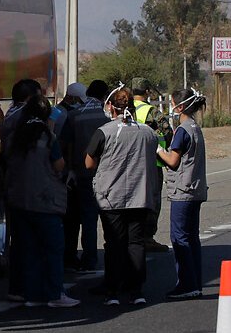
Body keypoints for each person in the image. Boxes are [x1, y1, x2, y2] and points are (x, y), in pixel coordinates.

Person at [85, 86, 160, 306]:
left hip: (111, 198)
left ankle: (112, 290)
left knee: (114, 243)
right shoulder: (147, 132)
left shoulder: (104, 131)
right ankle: (136, 290)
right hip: (140, 195)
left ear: (110, 106)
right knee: (136, 243)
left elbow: (89, 162)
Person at [4, 94, 79, 308]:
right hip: (45, 200)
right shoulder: (47, 137)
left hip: (19, 199)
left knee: (29, 250)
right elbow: (58, 165)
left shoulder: (14, 137)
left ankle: (32, 295)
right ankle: (55, 293)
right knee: (53, 249)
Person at [157, 89, 208, 300]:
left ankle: (186, 284)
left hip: (183, 191)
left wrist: (158, 149)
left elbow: (173, 161)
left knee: (179, 238)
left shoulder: (182, 130)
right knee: (192, 237)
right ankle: (195, 282)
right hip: (195, 190)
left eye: (172, 104)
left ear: (179, 107)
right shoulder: (196, 128)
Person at [0, 78, 42, 302]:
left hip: (14, 183)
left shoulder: (10, 115)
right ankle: (30, 286)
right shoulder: (25, 118)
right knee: (31, 238)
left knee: (19, 238)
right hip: (27, 183)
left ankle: (19, 287)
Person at [60, 79, 110, 272]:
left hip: (81, 173)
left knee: (84, 218)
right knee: (108, 219)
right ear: (105, 95)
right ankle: (108, 257)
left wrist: (70, 168)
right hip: (107, 174)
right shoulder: (108, 116)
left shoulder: (74, 114)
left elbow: (65, 145)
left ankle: (84, 259)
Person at [131, 77, 171, 253]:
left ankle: (133, 236)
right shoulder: (152, 111)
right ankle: (147, 237)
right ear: (147, 91)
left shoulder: (126, 109)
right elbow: (168, 132)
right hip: (152, 162)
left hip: (130, 163)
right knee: (152, 199)